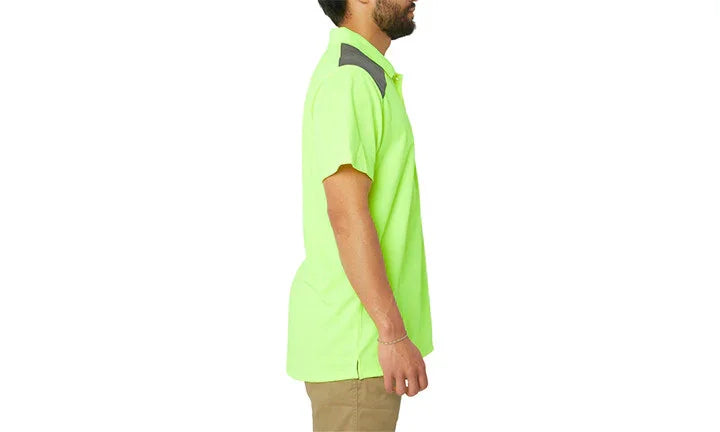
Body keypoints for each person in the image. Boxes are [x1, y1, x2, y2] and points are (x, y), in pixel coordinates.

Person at [286, 0, 433, 430]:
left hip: (360, 345)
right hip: (358, 343)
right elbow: (346, 214)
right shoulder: (350, 79)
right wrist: (392, 333)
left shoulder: (365, 75)